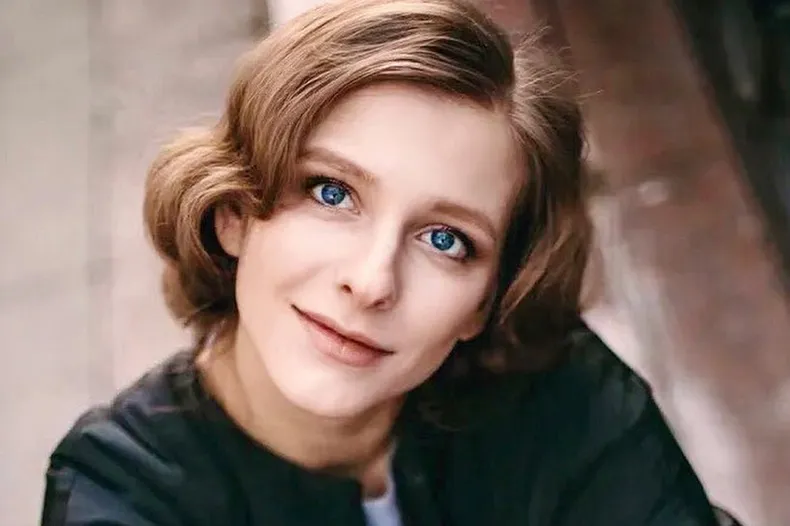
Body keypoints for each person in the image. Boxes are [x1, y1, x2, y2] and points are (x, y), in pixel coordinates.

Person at [40, 0, 720, 524]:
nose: (371, 282)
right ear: (234, 212)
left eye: (445, 240)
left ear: (487, 299)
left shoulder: (555, 393)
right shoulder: (120, 493)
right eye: (332, 193)